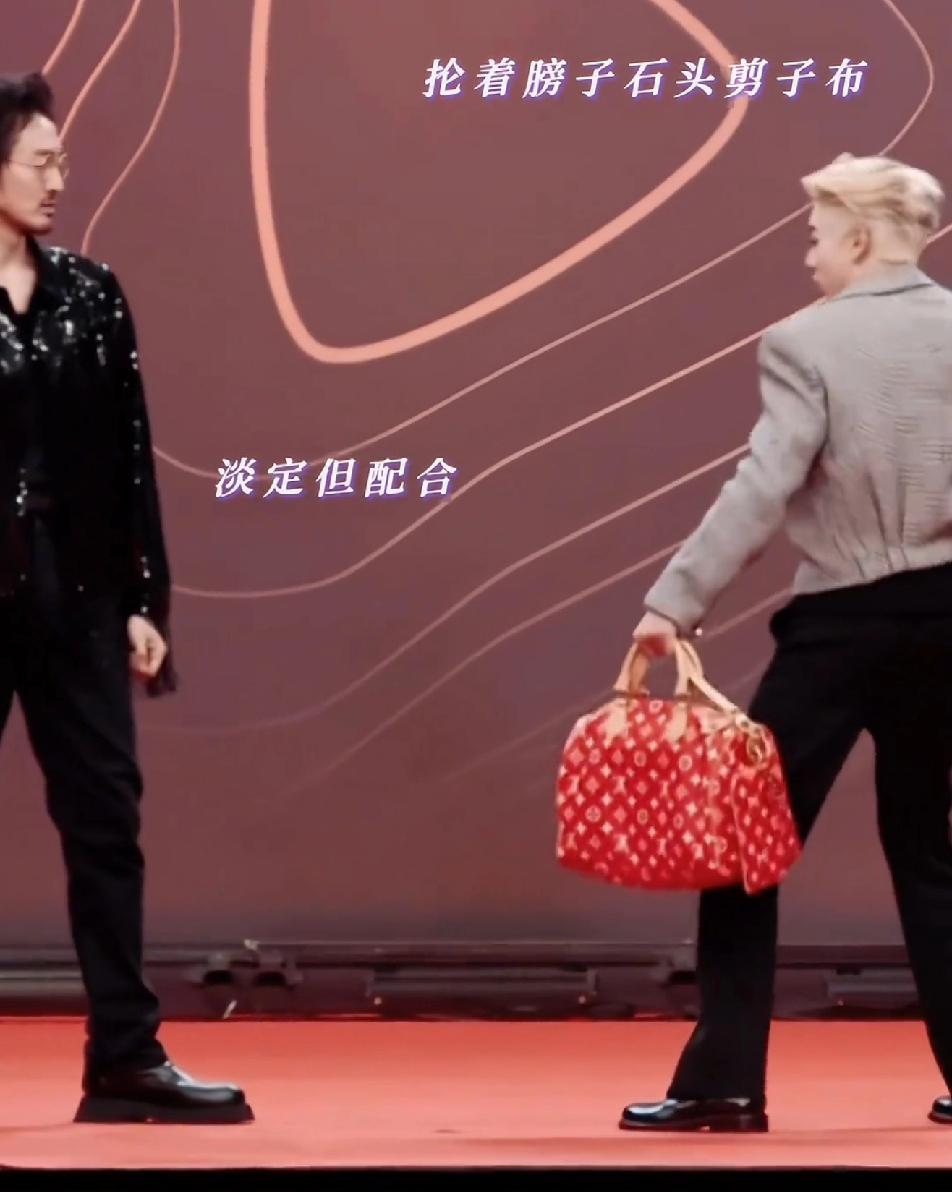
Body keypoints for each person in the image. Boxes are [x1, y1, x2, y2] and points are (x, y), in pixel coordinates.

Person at [622, 152, 952, 1133]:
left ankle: (723, 1082)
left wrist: (673, 601)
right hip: (946, 619)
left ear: (858, 237)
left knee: (742, 850)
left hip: (841, 625)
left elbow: (762, 484)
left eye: (814, 236)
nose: (807, 256)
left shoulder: (803, 341)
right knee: (928, 850)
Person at [0, 72, 251, 1124]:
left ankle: (125, 1054)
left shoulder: (92, 294)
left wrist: (147, 599)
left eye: (61, 160)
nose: (60, 178)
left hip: (79, 597)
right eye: (40, 161)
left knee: (106, 818)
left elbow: (129, 456)